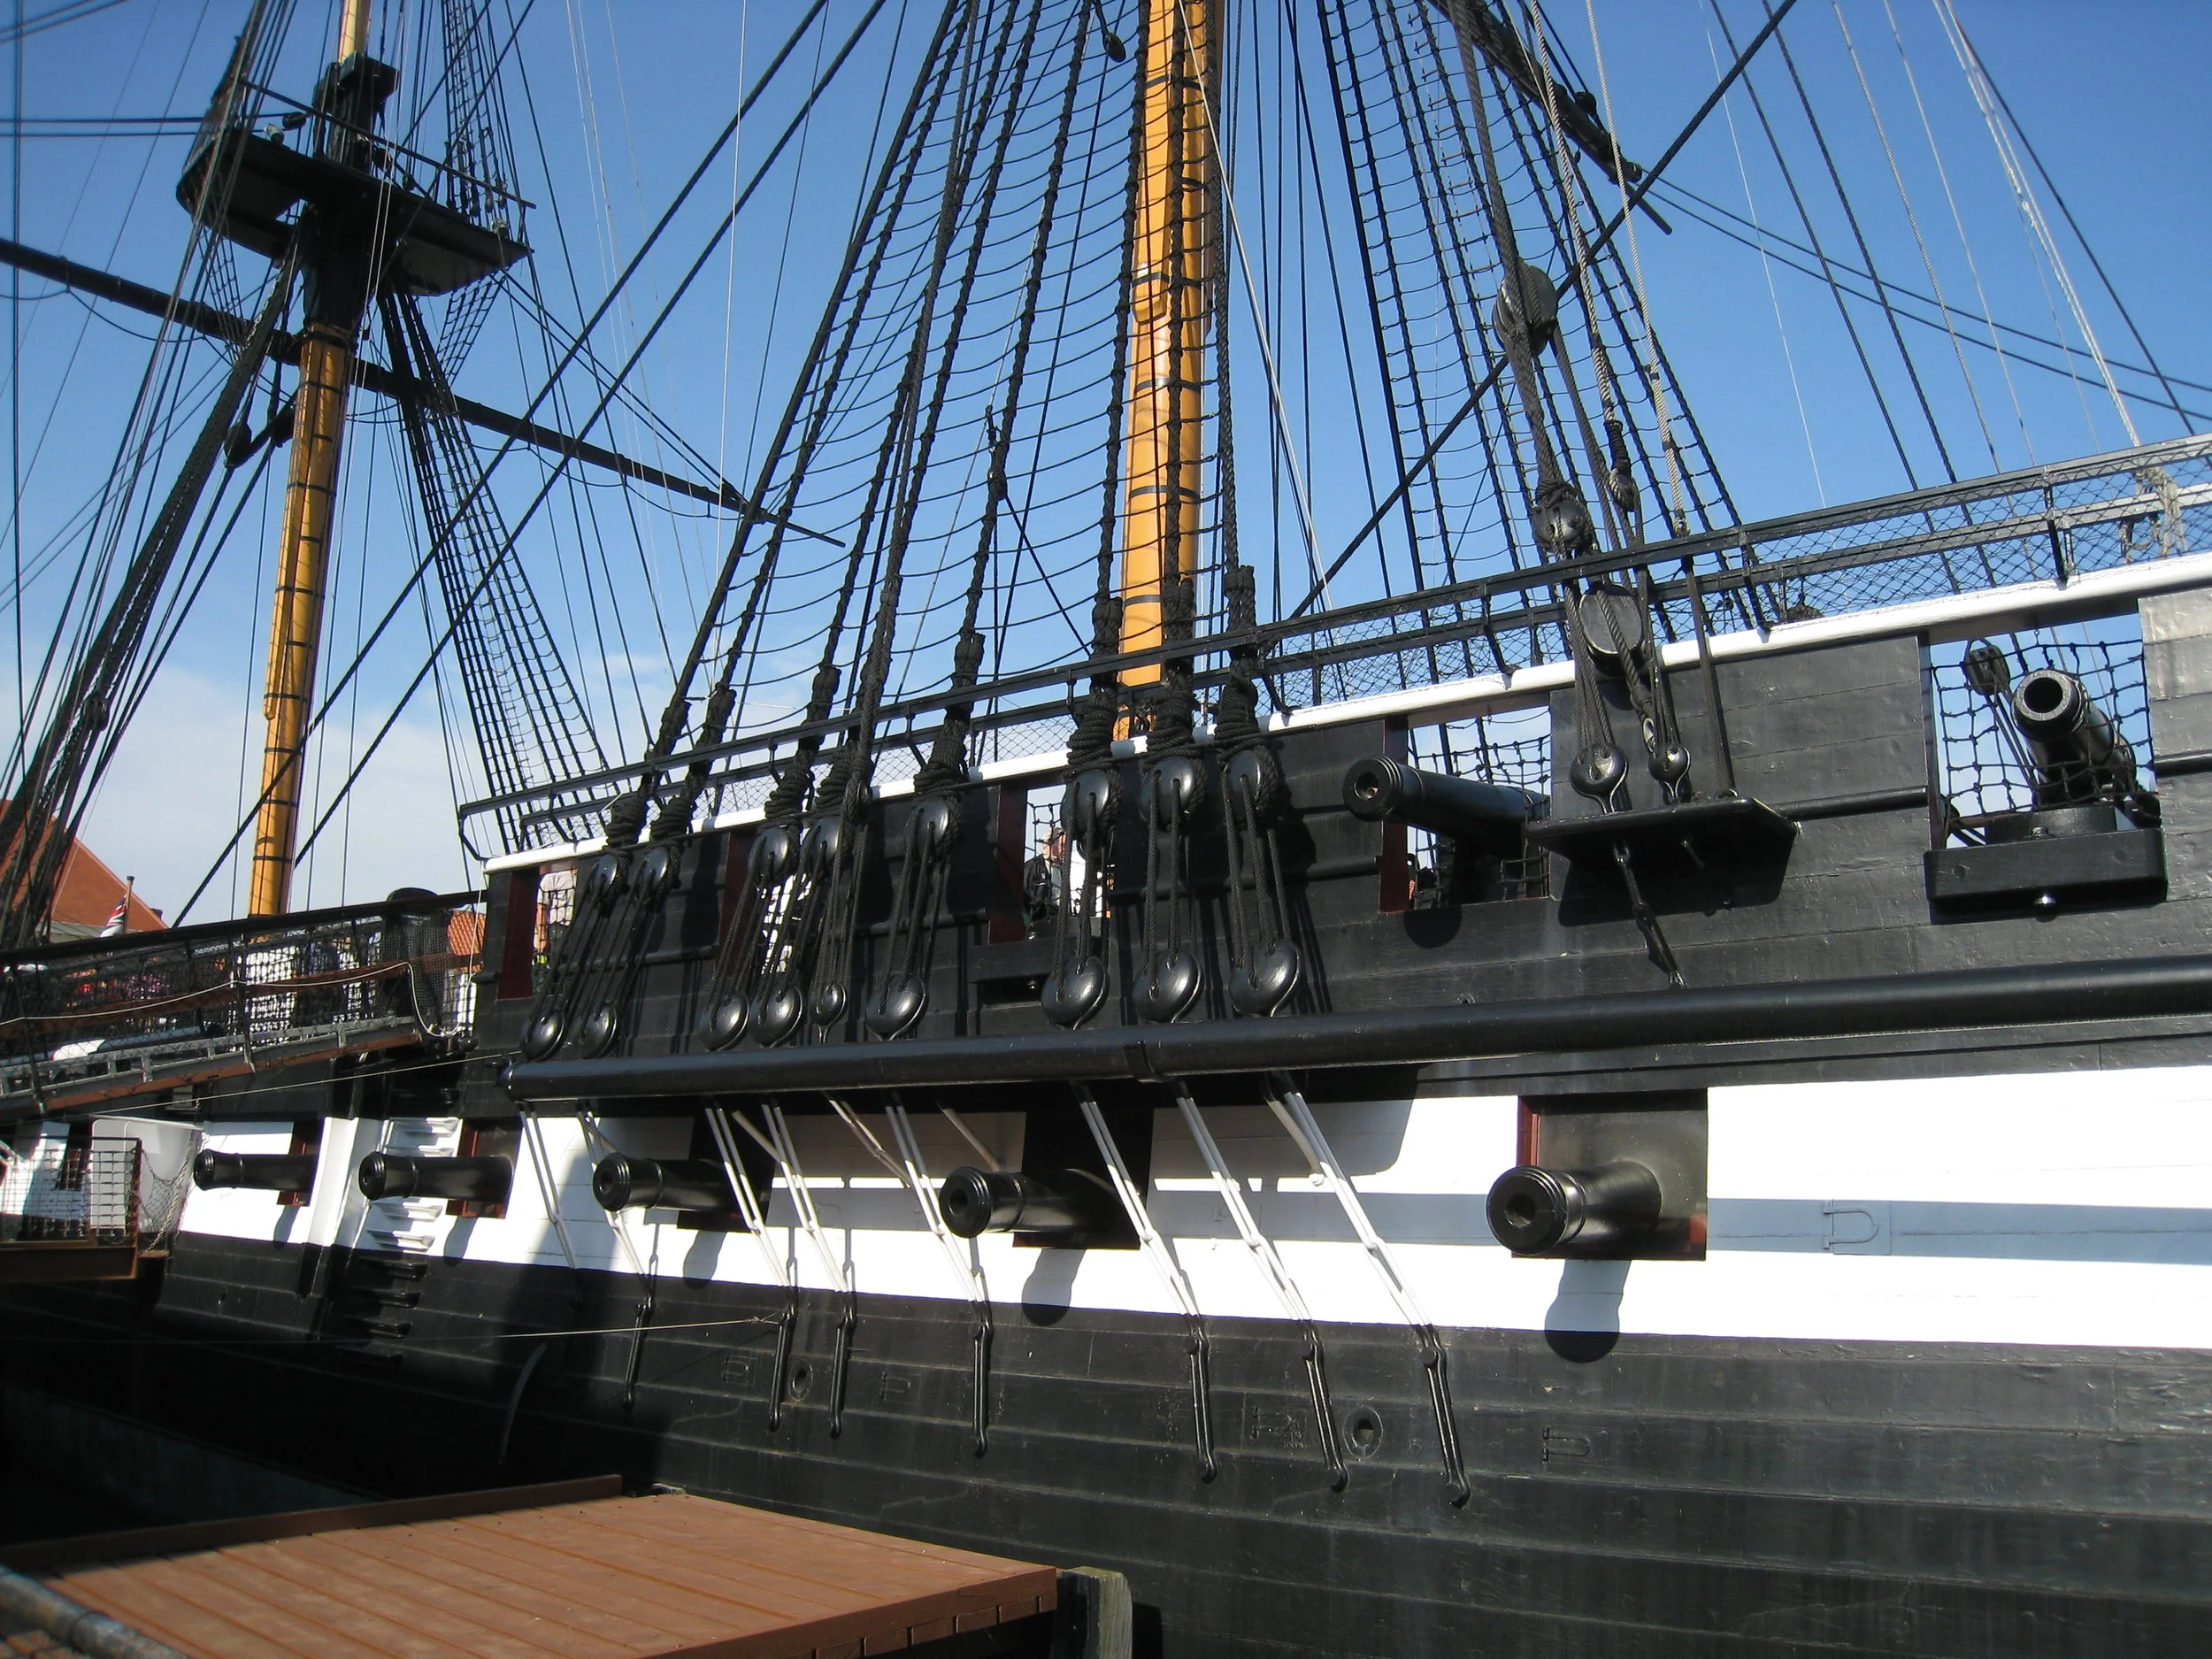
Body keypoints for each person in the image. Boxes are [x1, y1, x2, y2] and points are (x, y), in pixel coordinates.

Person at [1023, 826, 1068, 938]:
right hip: (1038, 924)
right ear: (1049, 844)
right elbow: (1024, 895)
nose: (1066, 849)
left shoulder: (1061, 869)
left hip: (1057, 923)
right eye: (1063, 845)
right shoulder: (1032, 866)